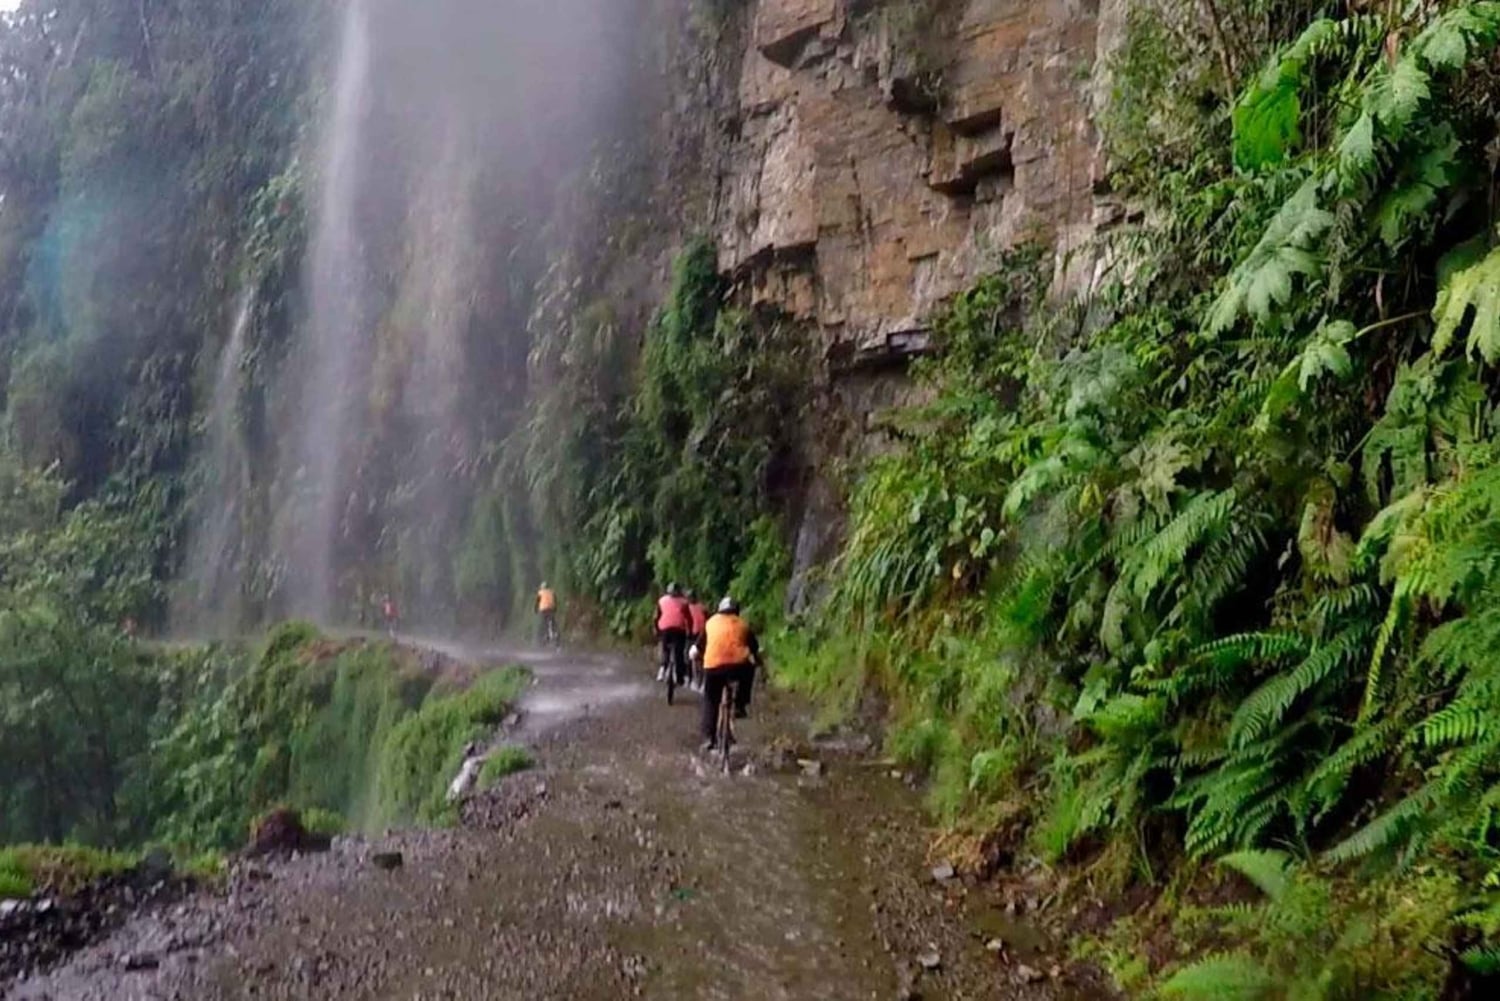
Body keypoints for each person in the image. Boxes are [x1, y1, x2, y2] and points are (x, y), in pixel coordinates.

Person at [700, 596, 760, 751]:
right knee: (750, 668)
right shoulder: (742, 624)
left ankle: (708, 737)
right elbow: (754, 647)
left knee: (711, 700)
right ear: (736, 611)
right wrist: (757, 659)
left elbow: (700, 645)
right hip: (737, 667)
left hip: (712, 668)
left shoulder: (711, 623)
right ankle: (740, 704)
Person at [655, 582, 692, 685]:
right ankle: (680, 677)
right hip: (679, 630)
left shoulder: (661, 601)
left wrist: (656, 630)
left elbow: (656, 617)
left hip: (664, 629)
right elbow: (689, 619)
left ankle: (662, 668)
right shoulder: (684, 602)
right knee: (679, 652)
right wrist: (690, 632)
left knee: (665, 649)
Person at [686, 590, 708, 691]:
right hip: (700, 635)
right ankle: (694, 678)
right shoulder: (703, 607)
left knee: (690, 656)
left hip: (696, 635)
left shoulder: (687, 608)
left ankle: (691, 678)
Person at [536, 582, 559, 646]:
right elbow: (555, 601)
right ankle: (555, 634)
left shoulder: (540, 592)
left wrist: (535, 609)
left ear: (542, 587)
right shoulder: (552, 592)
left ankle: (543, 637)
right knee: (553, 623)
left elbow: (537, 602)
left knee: (542, 623)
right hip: (551, 609)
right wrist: (555, 608)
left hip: (543, 610)